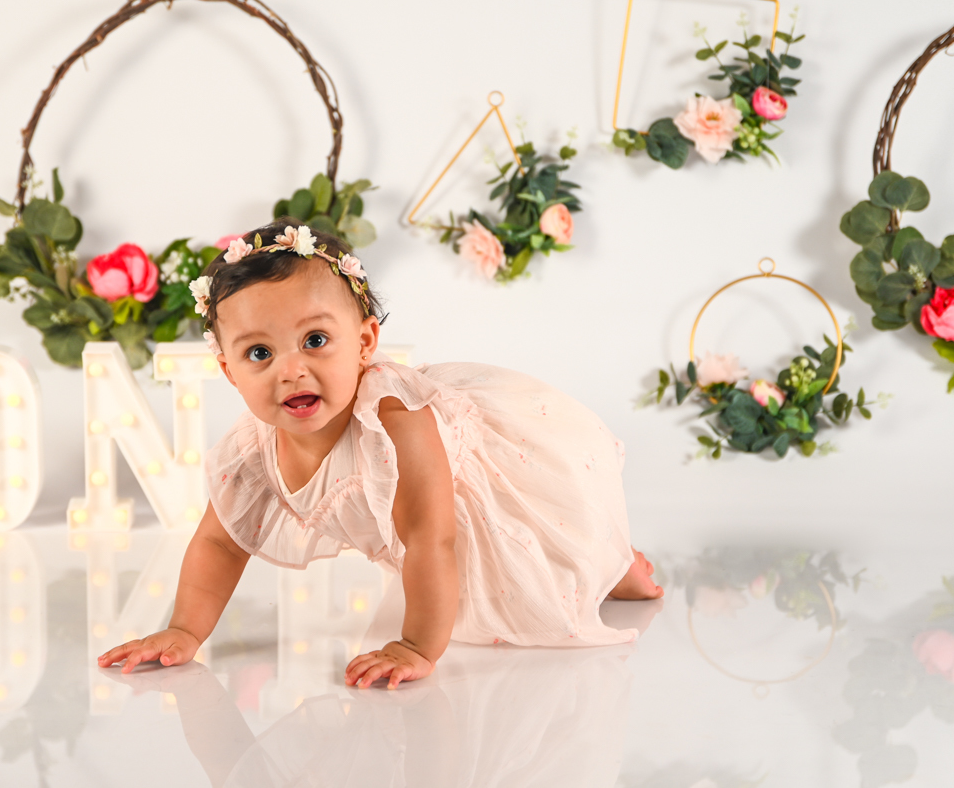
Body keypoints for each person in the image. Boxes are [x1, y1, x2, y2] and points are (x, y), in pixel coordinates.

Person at [97, 219, 664, 689]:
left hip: (484, 496)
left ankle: (617, 566)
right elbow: (220, 543)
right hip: (424, 541)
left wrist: (416, 644)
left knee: (553, 561)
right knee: (487, 589)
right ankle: (608, 565)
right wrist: (184, 631)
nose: (291, 370)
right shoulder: (253, 450)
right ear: (228, 371)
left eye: (315, 341)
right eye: (260, 353)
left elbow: (430, 537)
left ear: (365, 342)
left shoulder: (395, 419)